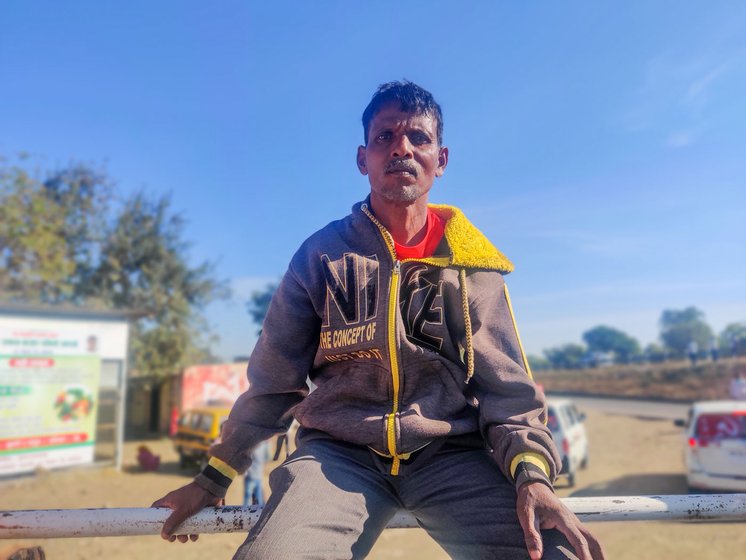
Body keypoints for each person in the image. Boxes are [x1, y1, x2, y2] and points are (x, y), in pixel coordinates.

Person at [153, 81, 603, 559]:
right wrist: (213, 476)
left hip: (451, 457)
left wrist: (532, 477)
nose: (401, 148)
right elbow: (274, 384)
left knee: (555, 554)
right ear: (362, 158)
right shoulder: (321, 255)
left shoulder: (473, 268)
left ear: (441, 159)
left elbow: (506, 391)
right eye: (385, 136)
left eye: (418, 138)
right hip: (338, 457)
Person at [243, 440, 270, 507]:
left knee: (247, 499)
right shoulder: (264, 444)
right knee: (259, 501)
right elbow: (267, 458)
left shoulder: (251, 444)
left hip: (251, 475)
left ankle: (244, 516)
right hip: (257, 475)